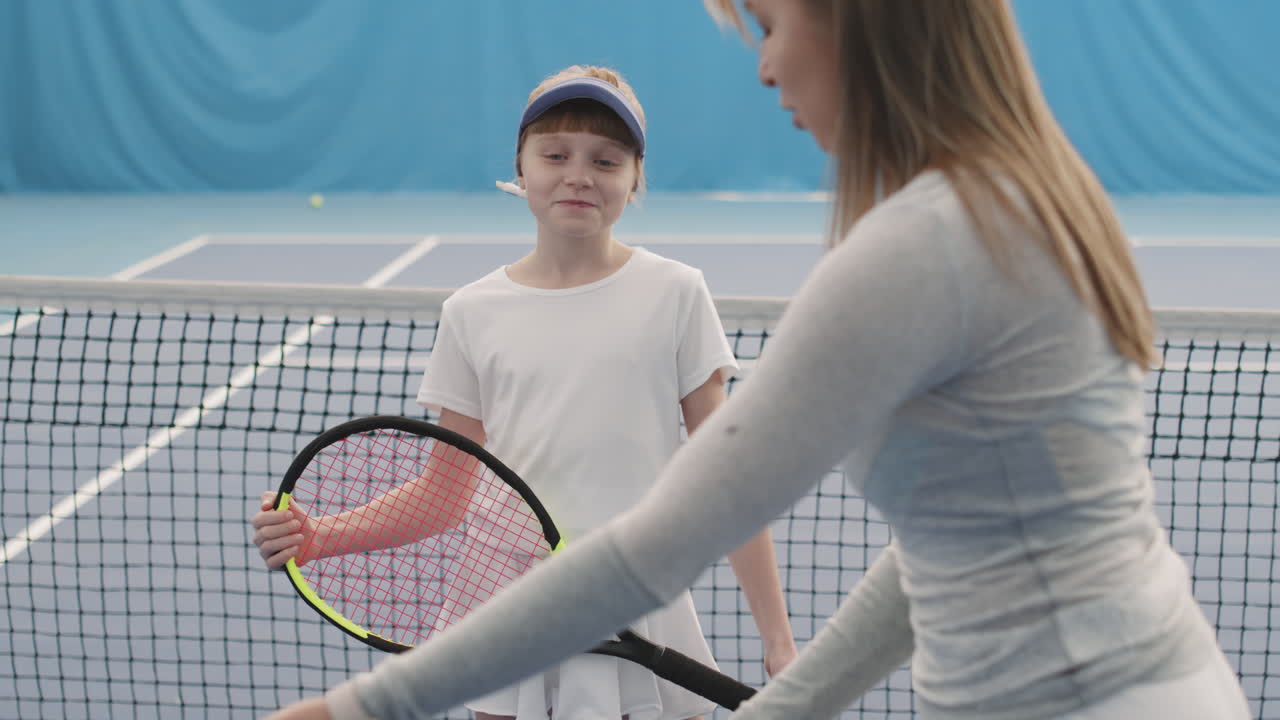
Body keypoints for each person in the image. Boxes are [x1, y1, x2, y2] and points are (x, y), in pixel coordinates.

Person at [265, 2, 1255, 719]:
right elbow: (952, 550)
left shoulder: (920, 248)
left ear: (857, 23)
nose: (764, 67)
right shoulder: (1011, 203)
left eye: (771, 23)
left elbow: (655, 549)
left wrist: (362, 709)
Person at [252, 64, 797, 720]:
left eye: (606, 158)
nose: (579, 174)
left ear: (635, 179)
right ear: (521, 166)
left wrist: (779, 640)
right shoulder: (472, 311)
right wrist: (320, 537)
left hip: (631, 590)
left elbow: (727, 480)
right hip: (506, 602)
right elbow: (442, 493)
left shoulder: (677, 293)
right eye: (555, 153)